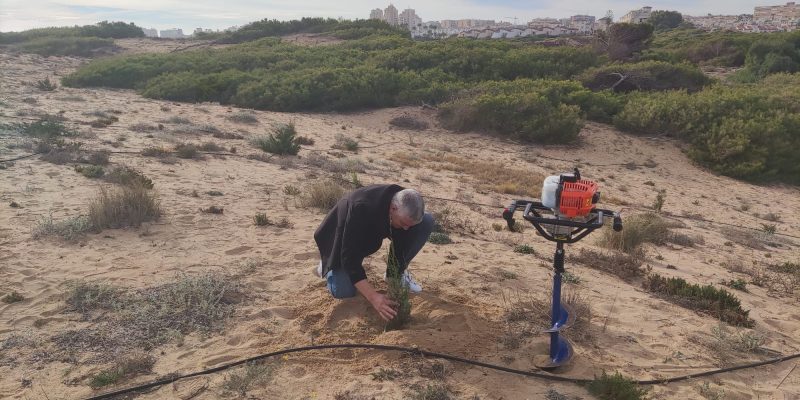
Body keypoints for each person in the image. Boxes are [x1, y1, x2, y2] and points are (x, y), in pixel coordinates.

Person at [313, 184, 434, 321]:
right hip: (339, 238)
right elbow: (349, 258)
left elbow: (408, 226)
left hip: (370, 233)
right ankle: (326, 264)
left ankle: (395, 275)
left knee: (426, 222)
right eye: (402, 223)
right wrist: (374, 297)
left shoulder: (405, 202)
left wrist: (395, 269)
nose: (406, 229)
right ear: (393, 208)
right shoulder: (361, 209)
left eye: (408, 225)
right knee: (343, 291)